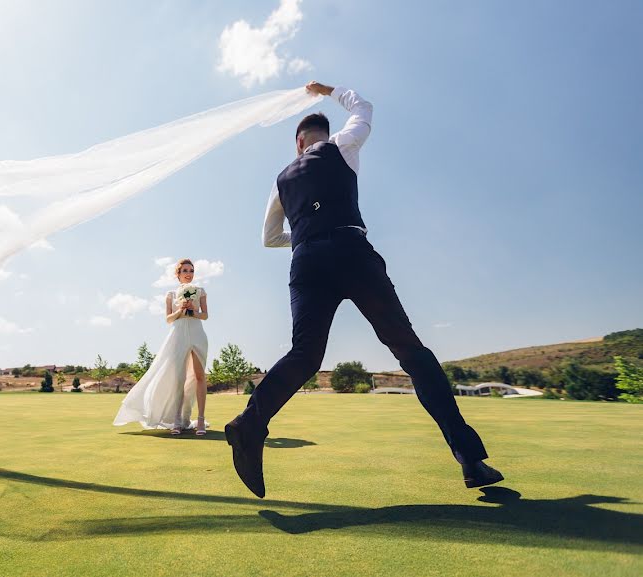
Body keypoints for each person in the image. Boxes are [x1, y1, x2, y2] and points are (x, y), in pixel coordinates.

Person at [225, 81, 503, 498]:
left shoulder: (280, 179)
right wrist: (329, 89)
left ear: (298, 142)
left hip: (306, 261)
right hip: (351, 250)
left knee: (305, 355)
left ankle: (249, 424)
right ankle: (470, 460)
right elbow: (363, 105)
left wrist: (303, 236)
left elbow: (269, 237)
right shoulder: (343, 145)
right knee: (410, 350)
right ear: (319, 136)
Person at [114, 259, 210, 435]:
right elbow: (168, 319)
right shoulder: (171, 295)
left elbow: (205, 316)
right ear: (178, 274)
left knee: (199, 376)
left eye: (191, 270)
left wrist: (192, 311)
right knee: (178, 379)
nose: (189, 273)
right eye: (185, 271)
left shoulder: (200, 292)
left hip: (198, 335)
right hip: (177, 336)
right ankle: (177, 421)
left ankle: (201, 420)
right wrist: (181, 310)